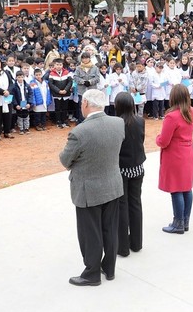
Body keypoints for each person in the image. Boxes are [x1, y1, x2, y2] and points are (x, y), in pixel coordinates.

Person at [59, 88, 125, 286]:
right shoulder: (118, 123)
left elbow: (65, 160)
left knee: (90, 233)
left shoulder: (79, 132)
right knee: (110, 229)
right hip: (112, 184)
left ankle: (92, 273)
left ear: (86, 104)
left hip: (89, 190)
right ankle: (109, 268)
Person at [156, 84, 193, 233]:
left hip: (174, 155)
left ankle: (178, 223)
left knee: (176, 189)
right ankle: (185, 221)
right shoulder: (191, 111)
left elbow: (164, 141)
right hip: (188, 152)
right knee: (186, 188)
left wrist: (157, 138)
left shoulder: (172, 116)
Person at [115, 92, 146, 253]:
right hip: (138, 167)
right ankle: (136, 243)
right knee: (136, 204)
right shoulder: (140, 120)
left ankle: (122, 247)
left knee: (122, 206)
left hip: (121, 169)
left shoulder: (116, 123)